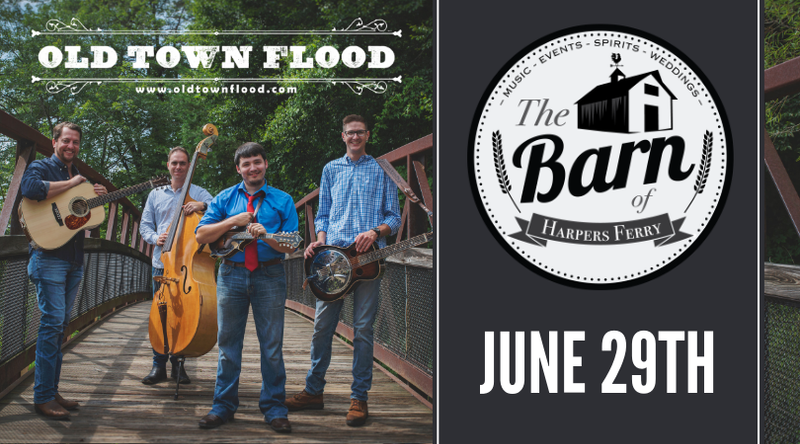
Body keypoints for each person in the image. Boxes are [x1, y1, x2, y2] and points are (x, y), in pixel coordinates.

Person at [286, 114, 401, 427]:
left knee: (363, 330)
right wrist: (319, 242)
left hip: (367, 264)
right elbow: (322, 215)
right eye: (349, 133)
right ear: (342, 136)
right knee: (323, 326)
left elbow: (395, 218)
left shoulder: (383, 169)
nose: (354, 138)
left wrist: (375, 232)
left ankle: (359, 398)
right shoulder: (330, 169)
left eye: (359, 133)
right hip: (333, 262)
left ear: (367, 134)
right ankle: (313, 392)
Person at [195, 142, 298, 433]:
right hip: (232, 275)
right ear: (238, 169)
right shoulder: (225, 198)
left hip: (270, 276)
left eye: (257, 162)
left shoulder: (283, 200)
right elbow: (202, 235)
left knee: (272, 347)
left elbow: (290, 246)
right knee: (228, 346)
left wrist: (267, 236)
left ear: (266, 164)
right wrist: (233, 220)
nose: (253, 168)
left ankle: (275, 408)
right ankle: (223, 406)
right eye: (246, 164)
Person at [20, 122, 108, 419]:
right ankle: (43, 397)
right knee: (52, 325)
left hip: (74, 260)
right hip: (48, 259)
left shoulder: (78, 180)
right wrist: (72, 185)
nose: (71, 146)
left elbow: (88, 220)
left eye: (76, 143)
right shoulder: (42, 167)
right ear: (54, 141)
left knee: (59, 329)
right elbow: (30, 189)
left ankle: (51, 390)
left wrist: (99, 197)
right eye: (66, 141)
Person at [139, 146, 213, 385]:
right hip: (162, 262)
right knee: (161, 314)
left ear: (189, 166)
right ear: (168, 165)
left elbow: (219, 212)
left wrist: (202, 206)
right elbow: (145, 226)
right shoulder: (156, 194)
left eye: (183, 163)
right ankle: (157, 365)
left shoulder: (199, 192)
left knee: (182, 314)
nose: (179, 167)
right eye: (175, 163)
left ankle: (179, 366)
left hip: (186, 264)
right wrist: (154, 238)